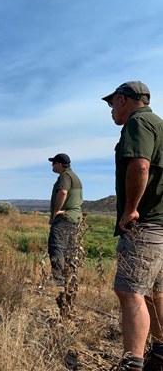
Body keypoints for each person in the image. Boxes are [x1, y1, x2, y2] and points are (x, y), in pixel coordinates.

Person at [102, 81, 163, 371]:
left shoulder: (138, 124)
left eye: (112, 102)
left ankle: (132, 364)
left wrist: (130, 210)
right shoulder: (158, 124)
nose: (111, 109)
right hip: (161, 223)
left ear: (123, 100)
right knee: (156, 291)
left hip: (146, 224)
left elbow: (140, 166)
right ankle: (160, 352)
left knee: (130, 291)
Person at [47, 153, 83, 287]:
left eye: (53, 163)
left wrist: (57, 211)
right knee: (69, 248)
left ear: (60, 164)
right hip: (74, 218)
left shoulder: (65, 176)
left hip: (64, 218)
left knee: (56, 246)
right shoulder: (74, 177)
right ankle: (69, 277)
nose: (52, 165)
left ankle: (58, 278)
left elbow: (63, 192)